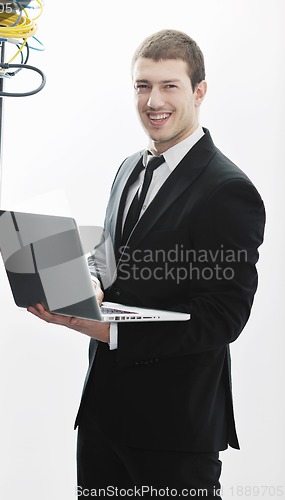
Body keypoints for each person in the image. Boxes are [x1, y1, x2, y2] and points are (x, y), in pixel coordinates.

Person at [28, 29, 266, 498]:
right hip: (102, 420)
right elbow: (107, 257)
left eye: (169, 86)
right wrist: (90, 285)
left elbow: (221, 320)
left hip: (173, 435)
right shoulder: (130, 168)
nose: (153, 100)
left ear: (199, 91)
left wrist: (103, 329)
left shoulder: (227, 190)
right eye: (142, 86)